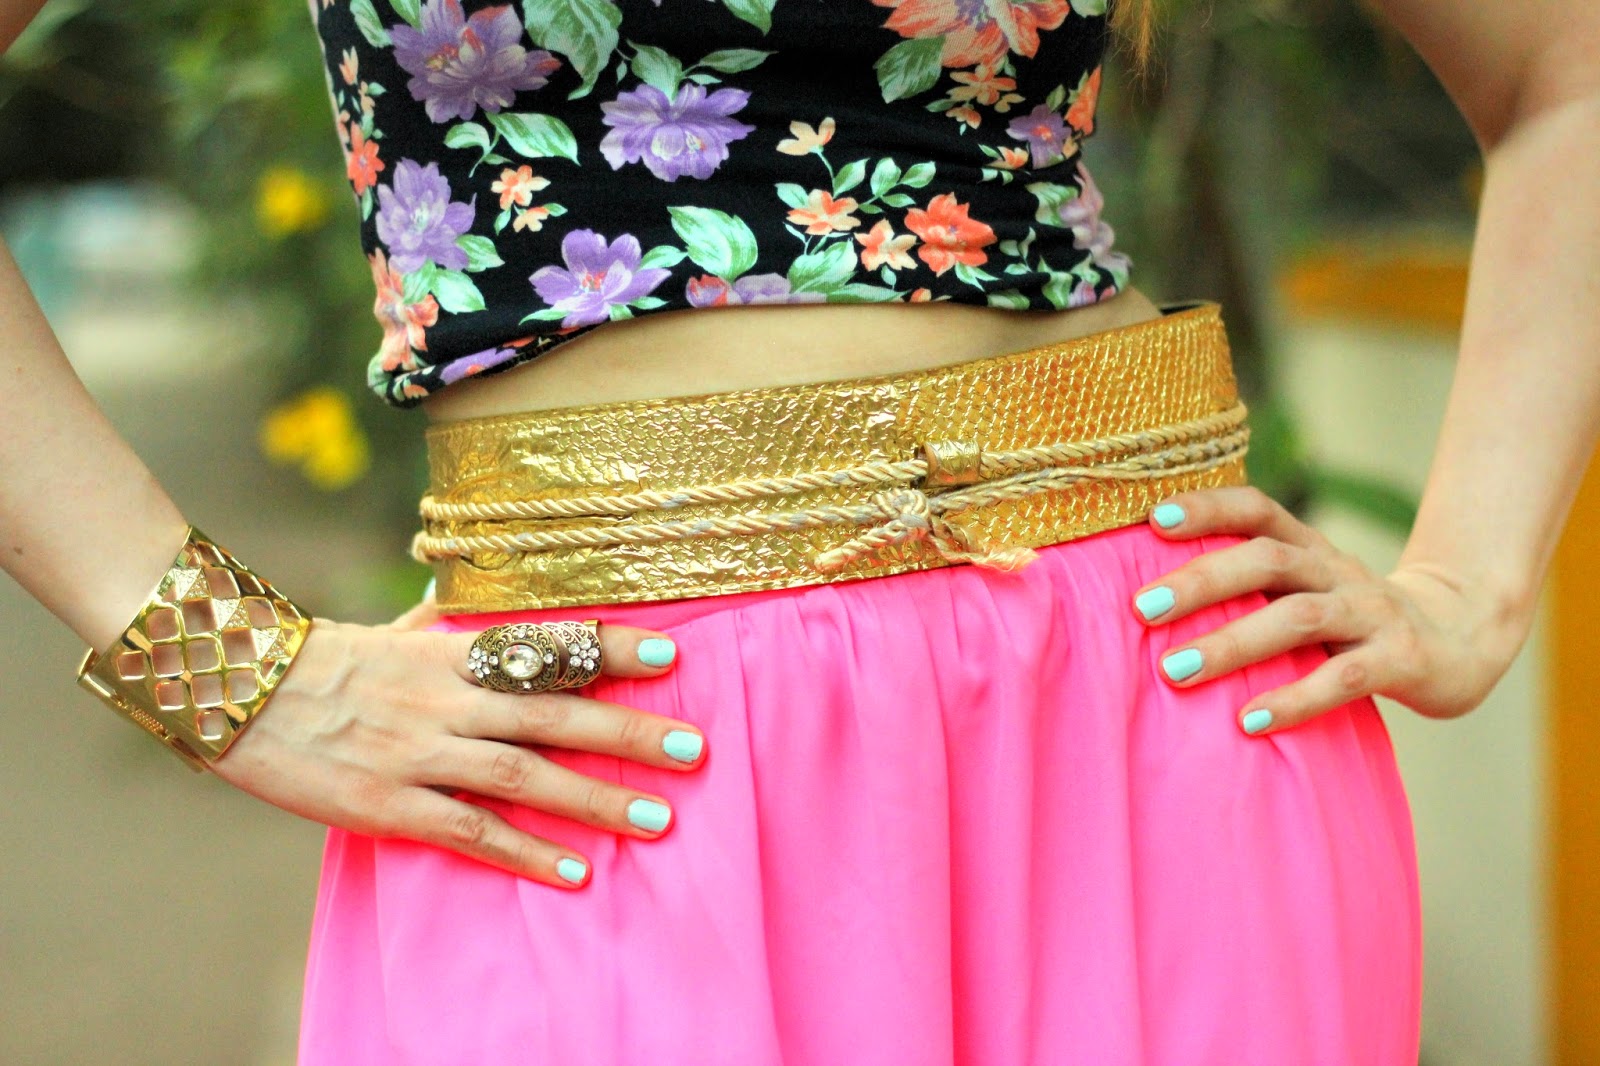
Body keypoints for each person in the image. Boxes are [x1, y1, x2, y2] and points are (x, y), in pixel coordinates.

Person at [2, 0, 1596, 1061]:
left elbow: (1564, 69)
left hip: (1144, 712)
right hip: (608, 756)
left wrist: (1468, 582)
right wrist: (230, 667)